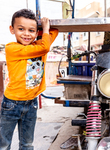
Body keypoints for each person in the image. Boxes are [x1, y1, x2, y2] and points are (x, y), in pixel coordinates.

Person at [0, 9, 58, 150]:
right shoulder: (12, 48)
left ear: (36, 32)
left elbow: (53, 31)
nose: (26, 34)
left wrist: (42, 28)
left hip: (31, 104)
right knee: (4, 144)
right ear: (12, 29)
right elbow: (46, 44)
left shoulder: (38, 46)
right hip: (11, 104)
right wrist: (43, 29)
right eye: (21, 29)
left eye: (31, 30)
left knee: (27, 144)